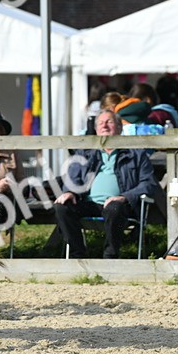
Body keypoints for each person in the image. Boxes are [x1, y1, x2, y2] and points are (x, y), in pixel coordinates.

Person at [53, 110, 161, 259]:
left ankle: (110, 256)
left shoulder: (136, 154)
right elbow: (72, 178)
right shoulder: (85, 153)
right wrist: (70, 192)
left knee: (114, 208)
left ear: (119, 128)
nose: (104, 126)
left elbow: (148, 184)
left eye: (109, 122)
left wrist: (123, 197)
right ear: (96, 129)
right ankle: (77, 255)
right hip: (88, 202)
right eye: (100, 123)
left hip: (121, 206)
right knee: (62, 206)